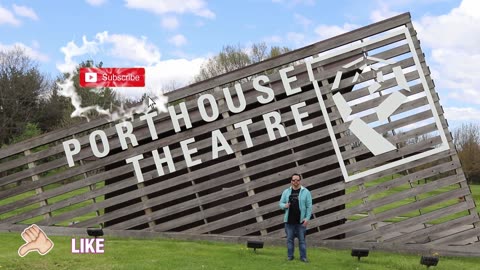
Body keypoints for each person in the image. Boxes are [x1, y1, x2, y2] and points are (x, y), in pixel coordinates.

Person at [279, 173, 312, 262]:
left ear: (300, 181)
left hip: (301, 222)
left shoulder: (306, 192)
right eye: (294, 180)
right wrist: (285, 205)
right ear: (291, 181)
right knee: (289, 240)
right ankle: (290, 256)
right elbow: (280, 204)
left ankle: (303, 257)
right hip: (289, 222)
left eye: (297, 180)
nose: (295, 182)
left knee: (302, 241)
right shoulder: (286, 192)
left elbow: (309, 207)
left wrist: (307, 218)